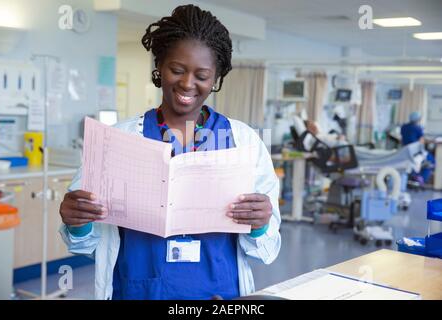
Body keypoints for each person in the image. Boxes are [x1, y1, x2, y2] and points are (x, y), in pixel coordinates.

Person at [59, 5, 281, 300]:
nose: (188, 83)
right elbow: (85, 245)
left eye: (202, 75)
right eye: (177, 70)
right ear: (160, 65)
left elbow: (266, 250)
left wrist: (260, 224)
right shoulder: (118, 139)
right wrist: (77, 223)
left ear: (216, 78)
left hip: (218, 294)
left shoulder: (244, 142)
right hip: (138, 291)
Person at [401, 111, 434, 183]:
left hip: (405, 152)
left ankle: (415, 175)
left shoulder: (403, 127)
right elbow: (421, 141)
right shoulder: (418, 128)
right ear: (418, 119)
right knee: (431, 159)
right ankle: (421, 178)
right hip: (415, 152)